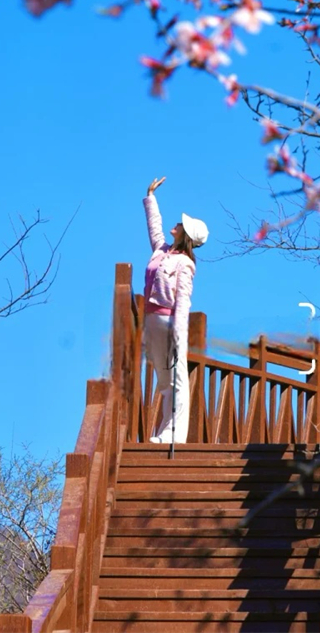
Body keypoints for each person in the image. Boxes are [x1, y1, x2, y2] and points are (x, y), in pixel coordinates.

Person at [143, 176, 209, 444]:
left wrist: (179, 337)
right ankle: (164, 431)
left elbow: (183, 303)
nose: (177, 223)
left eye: (182, 224)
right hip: (151, 320)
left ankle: (174, 435)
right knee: (164, 380)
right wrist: (151, 197)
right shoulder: (161, 251)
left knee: (177, 379)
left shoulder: (186, 264)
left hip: (169, 322)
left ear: (186, 235)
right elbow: (154, 229)